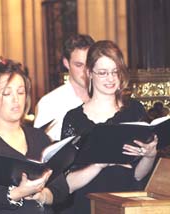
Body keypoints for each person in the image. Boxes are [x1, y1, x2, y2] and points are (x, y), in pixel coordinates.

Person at [60, 40, 158, 214]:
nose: (111, 78)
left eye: (115, 72)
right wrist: (99, 165)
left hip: (126, 204)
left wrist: (150, 156)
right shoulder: (74, 119)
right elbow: (67, 183)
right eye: (103, 73)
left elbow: (137, 175)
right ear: (89, 73)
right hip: (86, 206)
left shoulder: (134, 110)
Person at [0, 57, 69, 214]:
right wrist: (19, 192)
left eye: (20, 92)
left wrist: (41, 195)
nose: (16, 100)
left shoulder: (39, 137)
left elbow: (61, 189)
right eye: (7, 93)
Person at [34, 34, 95, 141]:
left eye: (89, 64)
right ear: (66, 63)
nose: (86, 71)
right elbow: (42, 150)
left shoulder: (105, 97)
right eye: (79, 65)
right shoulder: (48, 104)